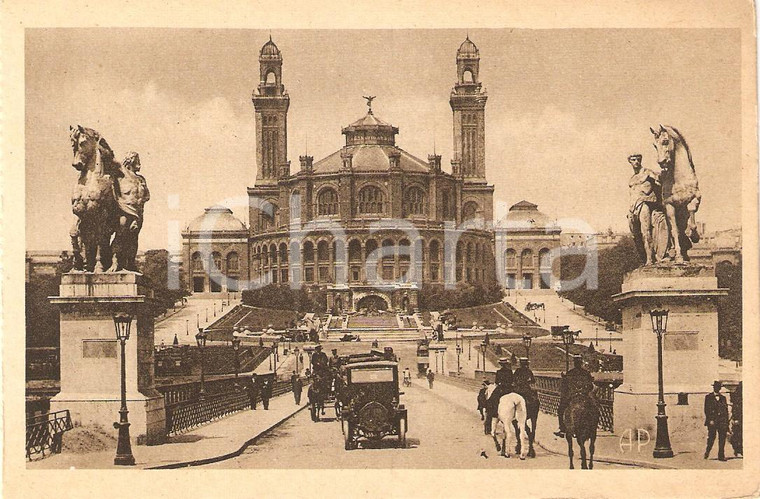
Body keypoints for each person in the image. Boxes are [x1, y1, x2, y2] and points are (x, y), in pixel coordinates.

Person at [486, 358, 514, 433]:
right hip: (509, 389)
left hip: (501, 389)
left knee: (491, 401)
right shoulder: (510, 371)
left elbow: (496, 382)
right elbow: (512, 381)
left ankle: (493, 415)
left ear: (501, 364)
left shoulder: (499, 372)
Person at [704, 380, 729, 461]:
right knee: (711, 437)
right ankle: (707, 452)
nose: (717, 389)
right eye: (716, 387)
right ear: (713, 388)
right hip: (713, 421)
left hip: (722, 421)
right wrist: (710, 420)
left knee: (722, 438)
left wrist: (726, 422)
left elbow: (725, 410)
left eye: (718, 387)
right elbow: (706, 410)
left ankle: (721, 455)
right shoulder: (708, 397)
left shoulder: (723, 398)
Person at [730, 381, 743, 457]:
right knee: (737, 434)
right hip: (738, 418)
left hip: (743, 418)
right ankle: (736, 449)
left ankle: (740, 450)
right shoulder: (737, 397)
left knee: (740, 434)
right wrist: (735, 418)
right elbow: (735, 408)